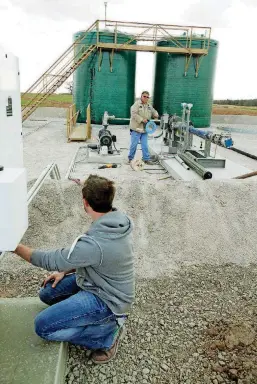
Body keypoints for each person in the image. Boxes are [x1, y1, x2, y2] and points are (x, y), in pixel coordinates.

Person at [13, 174, 134, 364]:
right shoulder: (116, 221)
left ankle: (106, 335)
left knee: (43, 327)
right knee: (47, 294)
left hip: (107, 299)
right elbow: (90, 259)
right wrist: (65, 271)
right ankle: (87, 318)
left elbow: (49, 260)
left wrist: (14, 246)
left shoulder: (96, 242)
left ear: (85, 203)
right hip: (96, 281)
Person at [128, 91, 159, 165]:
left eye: (147, 97)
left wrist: (156, 115)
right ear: (141, 96)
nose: (146, 98)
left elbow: (154, 112)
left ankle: (146, 159)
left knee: (145, 145)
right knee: (134, 144)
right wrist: (142, 119)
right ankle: (130, 159)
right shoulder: (137, 104)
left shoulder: (149, 106)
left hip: (145, 129)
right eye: (144, 96)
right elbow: (133, 114)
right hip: (136, 128)